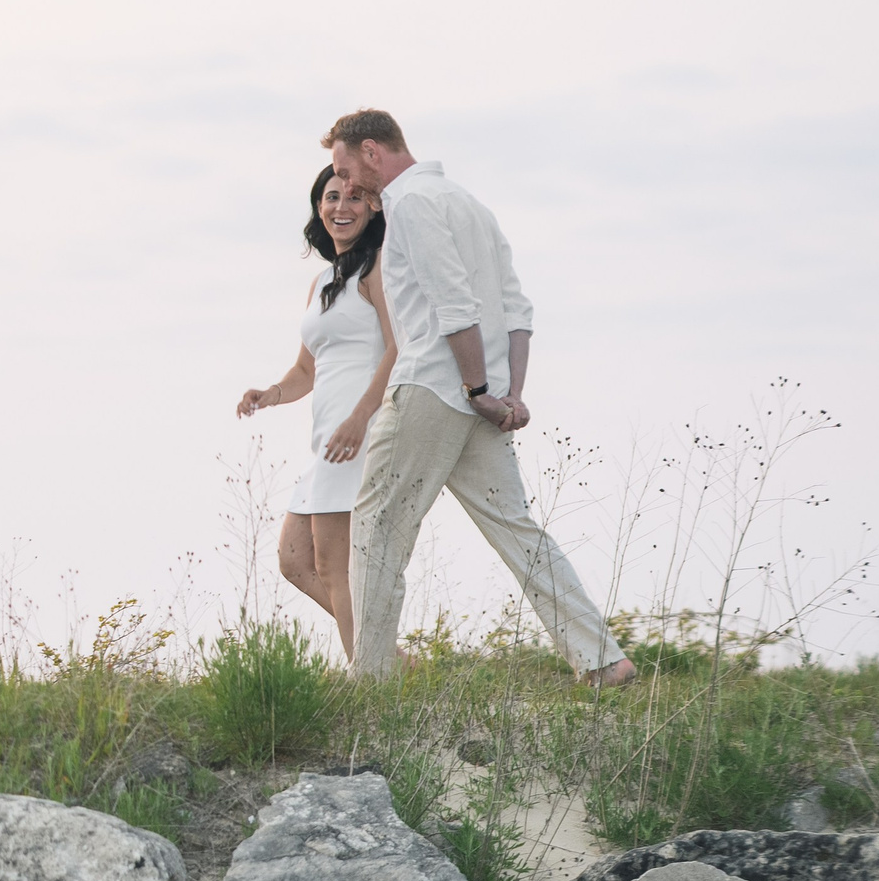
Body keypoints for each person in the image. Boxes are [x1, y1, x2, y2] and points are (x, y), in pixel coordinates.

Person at [324, 108, 636, 686]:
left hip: (434, 389)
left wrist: (476, 390)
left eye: (345, 167)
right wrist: (507, 393)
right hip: (478, 398)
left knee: (378, 524)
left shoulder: (413, 203)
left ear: (372, 151)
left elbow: (454, 306)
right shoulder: (470, 204)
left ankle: (368, 682)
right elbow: (517, 309)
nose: (346, 184)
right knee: (514, 527)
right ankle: (601, 659)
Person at [237, 166, 397, 655]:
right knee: (294, 559)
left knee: (334, 566)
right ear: (318, 207)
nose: (340, 207)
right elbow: (306, 371)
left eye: (353, 198)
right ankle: (385, 656)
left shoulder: (378, 268)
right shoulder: (323, 281)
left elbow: (399, 347)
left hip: (360, 433)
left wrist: (360, 417)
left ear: (373, 208)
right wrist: (269, 393)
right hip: (328, 439)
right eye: (331, 197)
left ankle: (369, 678)